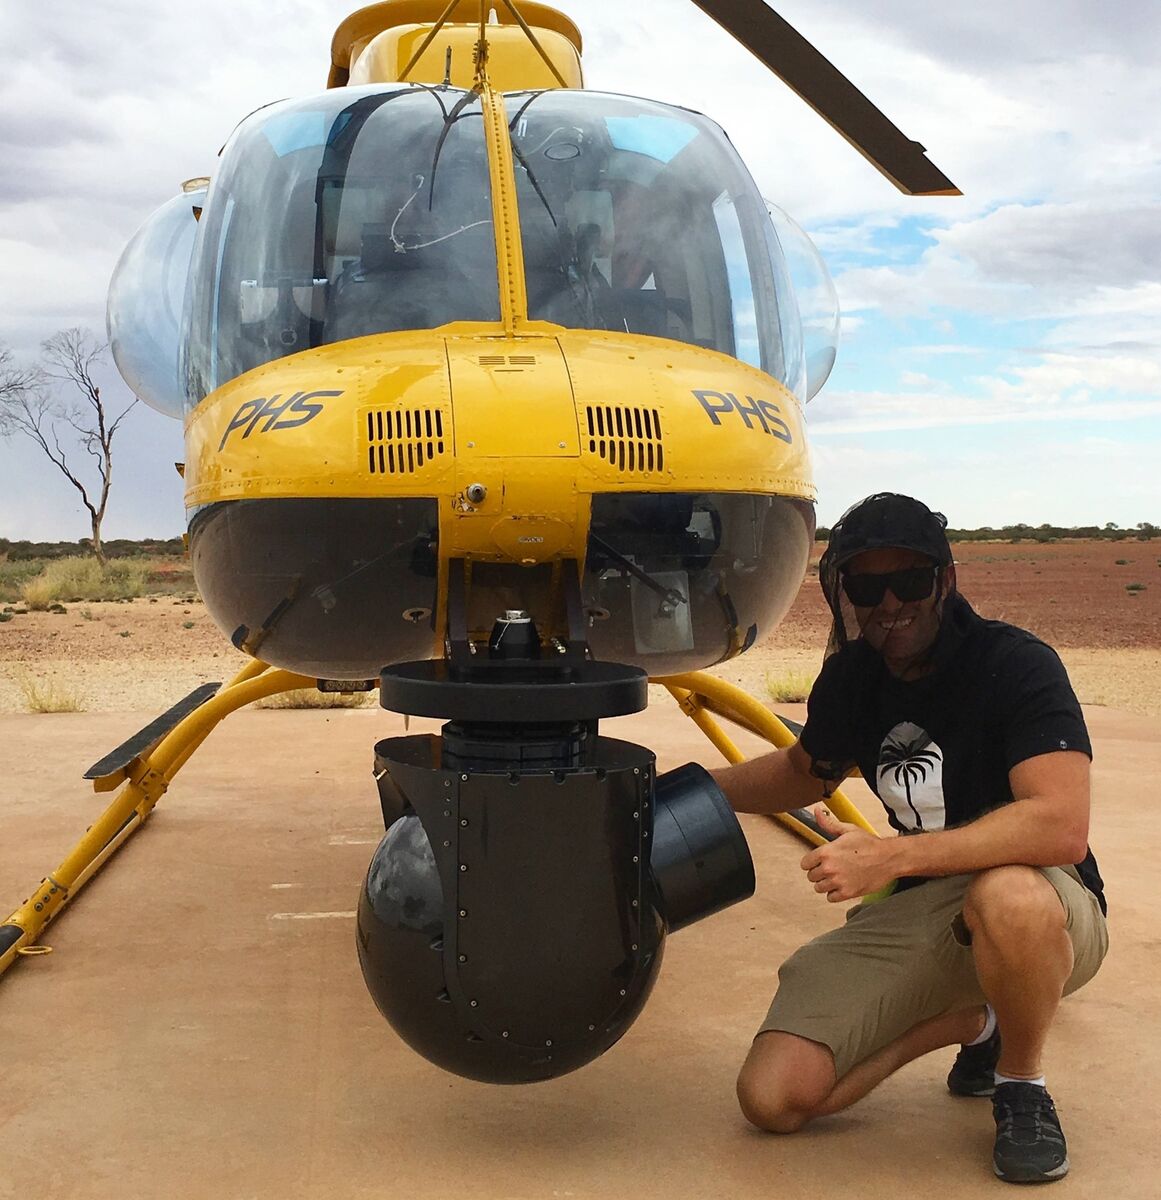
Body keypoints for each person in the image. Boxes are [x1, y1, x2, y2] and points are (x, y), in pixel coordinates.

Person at [710, 492, 1107, 1184]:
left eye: (909, 581)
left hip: (1049, 907)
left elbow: (1059, 824)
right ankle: (974, 1023)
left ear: (945, 581)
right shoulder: (853, 678)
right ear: (842, 594)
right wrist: (682, 789)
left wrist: (887, 856)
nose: (888, 603)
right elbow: (804, 772)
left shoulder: (1014, 664)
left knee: (1006, 896)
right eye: (865, 586)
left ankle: (1019, 1086)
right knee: (771, 1098)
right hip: (925, 908)